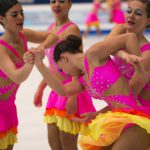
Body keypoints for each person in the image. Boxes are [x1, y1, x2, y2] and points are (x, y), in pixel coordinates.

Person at [24, 33, 150, 150]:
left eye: (62, 69)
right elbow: (62, 90)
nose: (66, 74)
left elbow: (130, 37)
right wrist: (39, 64)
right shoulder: (83, 79)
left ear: (64, 58)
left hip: (135, 119)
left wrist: (138, 66)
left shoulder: (93, 54)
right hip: (116, 121)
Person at [33, 0, 96, 150]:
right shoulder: (51, 29)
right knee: (54, 144)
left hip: (71, 91)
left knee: (67, 146)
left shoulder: (72, 30)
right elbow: (53, 66)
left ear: (69, 4)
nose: (57, 5)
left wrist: (73, 96)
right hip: (56, 93)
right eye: (53, 1)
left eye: (61, 1)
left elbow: (80, 64)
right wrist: (41, 88)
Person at [0, 0, 58, 149]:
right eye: (14, 14)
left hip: (8, 105)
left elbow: (53, 37)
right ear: (2, 19)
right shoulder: (1, 48)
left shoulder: (23, 35)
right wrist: (30, 61)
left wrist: (40, 48)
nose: (20, 17)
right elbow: (17, 76)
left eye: (21, 13)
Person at [106, 0, 150, 105]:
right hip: (117, 103)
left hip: (138, 109)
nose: (131, 16)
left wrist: (97, 114)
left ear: (148, 21)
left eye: (138, 13)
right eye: (129, 11)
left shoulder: (147, 54)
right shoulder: (120, 29)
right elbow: (102, 49)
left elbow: (128, 97)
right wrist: (123, 54)